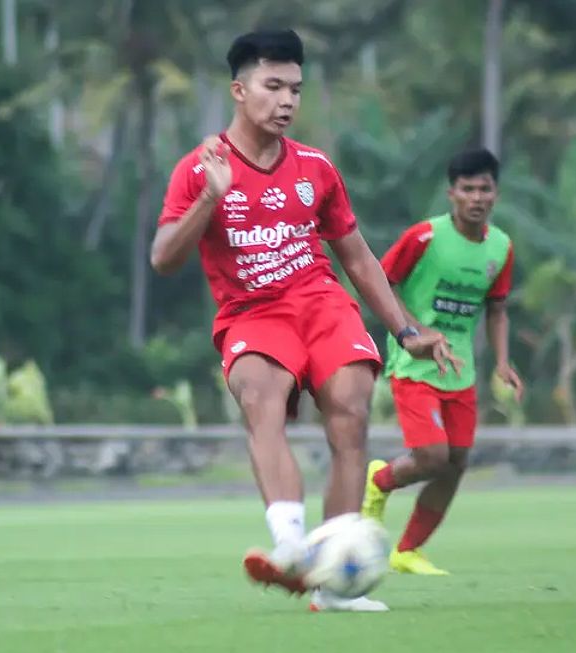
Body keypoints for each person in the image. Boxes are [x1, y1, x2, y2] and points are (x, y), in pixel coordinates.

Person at [150, 28, 459, 612]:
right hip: (251, 312)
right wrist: (209, 201)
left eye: (296, 88)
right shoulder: (200, 168)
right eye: (274, 86)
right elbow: (163, 259)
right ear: (239, 90)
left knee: (350, 412)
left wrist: (408, 331)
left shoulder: (316, 168)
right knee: (261, 398)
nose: (287, 100)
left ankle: (335, 579)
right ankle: (291, 548)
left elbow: (358, 257)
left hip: (321, 303)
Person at [360, 148, 525, 576]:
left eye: (484, 189)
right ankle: (379, 481)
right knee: (432, 455)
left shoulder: (502, 247)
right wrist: (415, 332)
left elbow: (498, 308)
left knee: (457, 463)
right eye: (467, 189)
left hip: (460, 371)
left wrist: (503, 363)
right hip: (414, 366)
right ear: (452, 194)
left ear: (496, 194)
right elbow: (381, 282)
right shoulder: (425, 238)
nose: (476, 197)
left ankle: (408, 550)